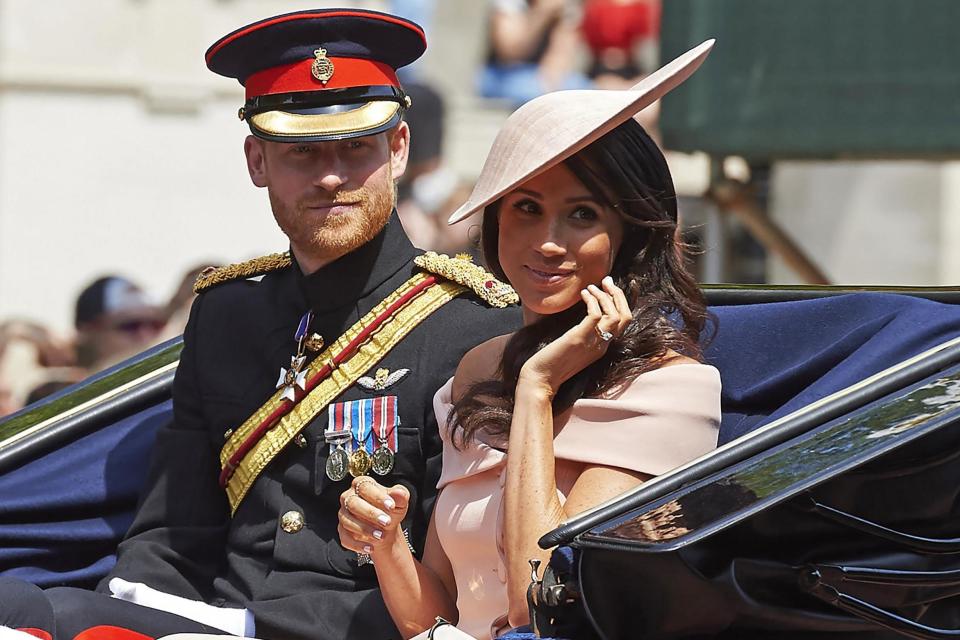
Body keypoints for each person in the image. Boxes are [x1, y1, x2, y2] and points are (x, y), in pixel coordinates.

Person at [0, 9, 519, 640]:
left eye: (356, 148)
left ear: (399, 148)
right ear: (257, 161)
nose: (331, 176)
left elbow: (465, 578)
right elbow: (172, 534)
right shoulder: (227, 313)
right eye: (302, 152)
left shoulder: (476, 327)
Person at [337, 41, 719, 639]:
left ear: (630, 232)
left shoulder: (671, 389)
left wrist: (537, 390)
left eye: (583, 214)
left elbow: (535, 606)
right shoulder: (479, 369)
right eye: (526, 207)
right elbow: (440, 616)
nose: (547, 241)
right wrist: (385, 545)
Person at [478, 0, 592, 107]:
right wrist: (542, 13)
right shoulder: (509, 4)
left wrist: (551, 85)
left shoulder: (565, 6)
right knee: (535, 93)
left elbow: (559, 58)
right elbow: (511, 52)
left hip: (538, 77)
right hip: (502, 75)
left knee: (586, 93)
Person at [74, 275, 167, 374]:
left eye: (156, 325)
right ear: (88, 332)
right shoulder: (64, 388)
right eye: (131, 326)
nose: (147, 336)